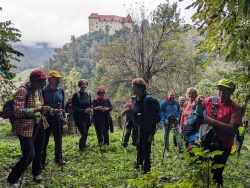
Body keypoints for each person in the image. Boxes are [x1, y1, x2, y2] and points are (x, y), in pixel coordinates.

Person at [6, 70, 63, 187]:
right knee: (29, 155)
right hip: (25, 127)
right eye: (42, 81)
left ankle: (37, 173)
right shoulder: (22, 91)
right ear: (34, 81)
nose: (44, 83)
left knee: (39, 149)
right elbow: (17, 111)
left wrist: (53, 111)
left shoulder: (38, 91)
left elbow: (42, 107)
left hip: (39, 124)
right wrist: (36, 110)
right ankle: (11, 181)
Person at [198, 79, 242, 186]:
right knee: (202, 172)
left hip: (223, 147)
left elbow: (232, 130)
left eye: (225, 90)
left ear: (231, 91)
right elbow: (198, 112)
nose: (221, 92)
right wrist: (198, 104)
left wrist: (212, 121)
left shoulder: (235, 108)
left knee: (216, 175)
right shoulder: (210, 100)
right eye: (219, 89)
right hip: (207, 142)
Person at [130, 78, 157, 174]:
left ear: (139, 88)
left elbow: (153, 118)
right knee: (139, 147)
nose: (132, 89)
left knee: (146, 150)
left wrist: (151, 133)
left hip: (146, 130)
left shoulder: (148, 100)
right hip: (137, 128)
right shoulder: (136, 98)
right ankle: (139, 165)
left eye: (134, 87)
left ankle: (146, 170)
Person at [41, 70, 67, 168]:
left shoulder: (61, 91)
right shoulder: (43, 91)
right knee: (44, 140)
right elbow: (42, 105)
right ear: (50, 79)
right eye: (56, 78)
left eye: (58, 78)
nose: (58, 80)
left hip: (58, 119)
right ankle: (42, 160)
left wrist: (63, 116)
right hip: (46, 119)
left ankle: (58, 158)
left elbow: (63, 104)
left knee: (58, 139)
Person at [72, 79, 92, 151]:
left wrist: (91, 109)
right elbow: (73, 107)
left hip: (87, 116)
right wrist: (84, 111)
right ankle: (81, 147)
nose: (83, 85)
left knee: (86, 131)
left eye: (85, 84)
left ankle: (84, 145)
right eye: (82, 84)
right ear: (79, 85)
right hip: (78, 117)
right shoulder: (76, 95)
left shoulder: (88, 94)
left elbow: (90, 104)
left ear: (87, 85)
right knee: (84, 132)